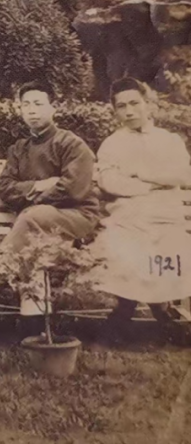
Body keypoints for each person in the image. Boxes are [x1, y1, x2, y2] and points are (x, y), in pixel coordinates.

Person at [90, 78, 191, 337]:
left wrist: (139, 173)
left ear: (148, 104)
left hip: (166, 215)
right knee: (125, 243)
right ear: (115, 111)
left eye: (135, 103)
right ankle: (135, 309)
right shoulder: (112, 144)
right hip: (128, 214)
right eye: (122, 106)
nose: (129, 111)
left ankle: (154, 309)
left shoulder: (169, 141)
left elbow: (182, 176)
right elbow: (110, 182)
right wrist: (153, 185)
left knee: (168, 245)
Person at [0, 81, 101, 320]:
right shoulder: (19, 149)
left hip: (76, 217)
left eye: (38, 104)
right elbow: (5, 188)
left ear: (54, 107)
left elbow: (73, 189)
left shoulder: (71, 144)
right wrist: (38, 185)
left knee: (31, 216)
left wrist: (31, 199)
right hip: (35, 222)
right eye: (26, 105)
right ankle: (34, 323)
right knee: (31, 240)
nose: (32, 110)